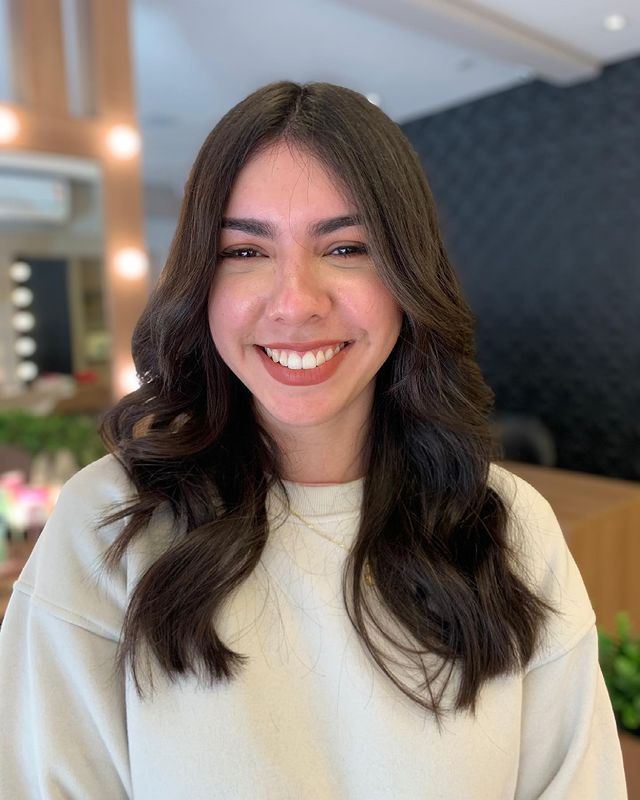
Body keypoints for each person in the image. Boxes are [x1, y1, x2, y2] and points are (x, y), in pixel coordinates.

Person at [0, 82, 626, 799]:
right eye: (244, 251)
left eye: (346, 246)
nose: (296, 301)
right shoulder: (106, 528)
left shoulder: (510, 528)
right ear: (200, 283)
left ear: (408, 276)